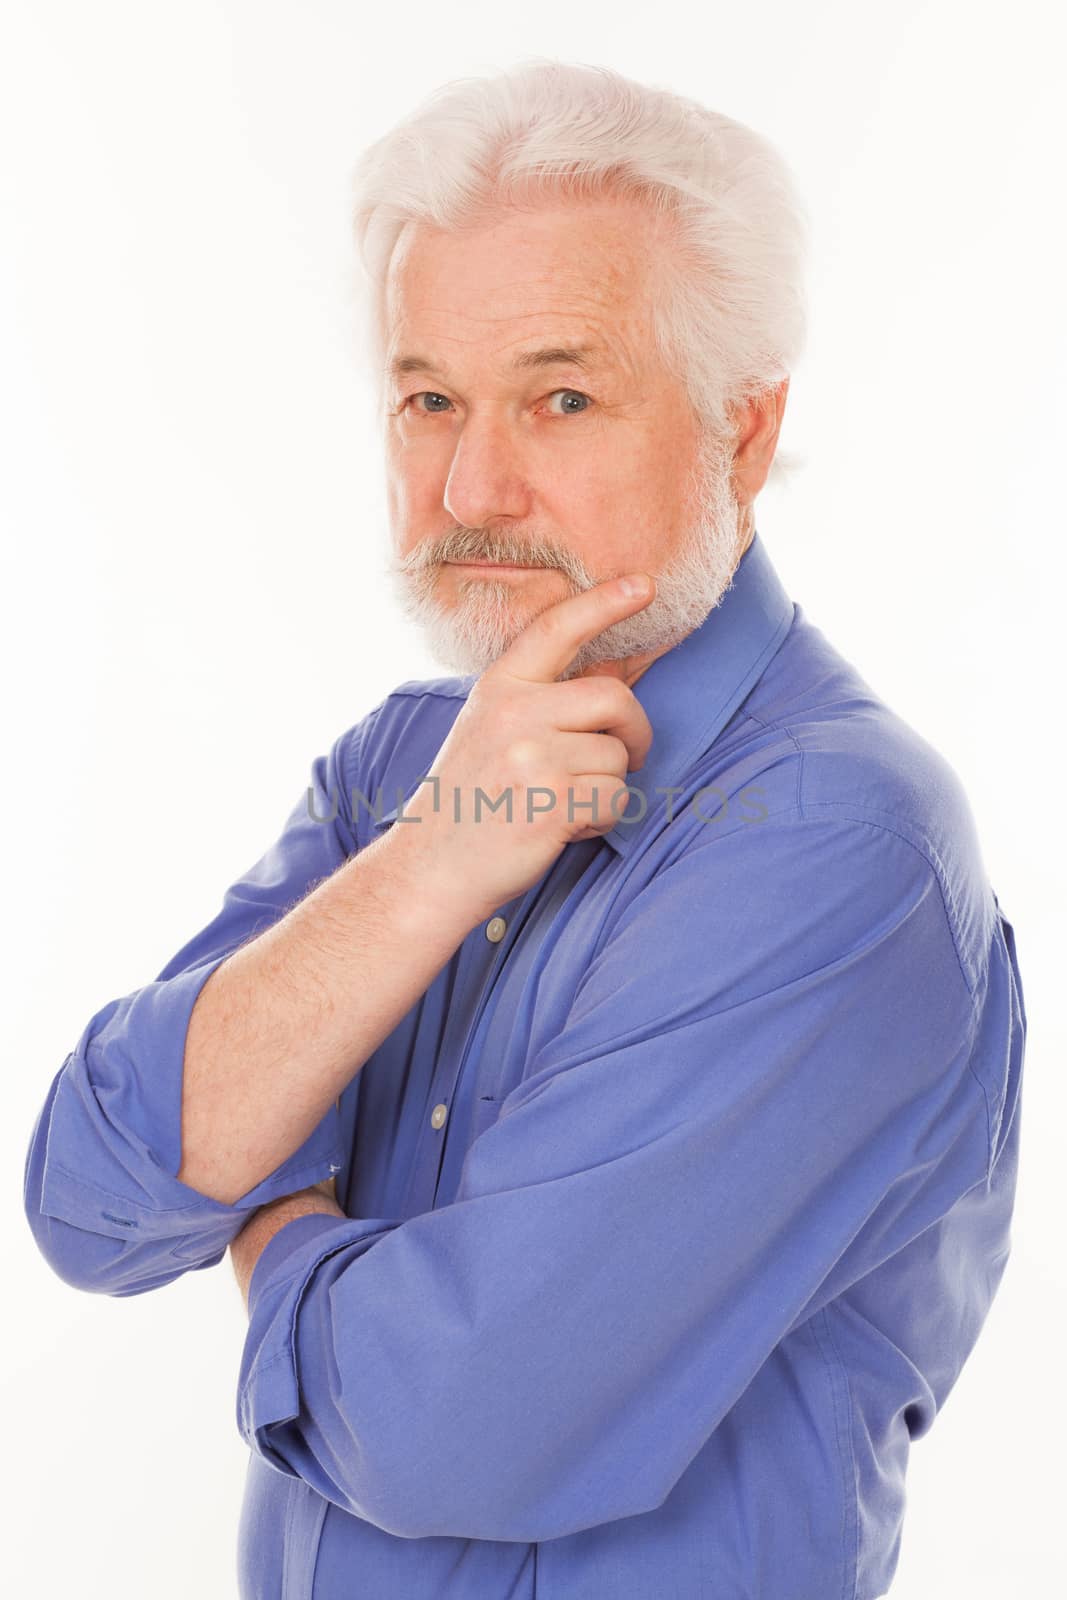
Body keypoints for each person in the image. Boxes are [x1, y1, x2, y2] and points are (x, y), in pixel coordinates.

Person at [24, 57, 1026, 1600]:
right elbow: (89, 1193)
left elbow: (448, 1426)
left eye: (561, 398)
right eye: (429, 399)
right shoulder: (407, 770)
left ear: (741, 435)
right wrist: (429, 867)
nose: (468, 487)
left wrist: (269, 1228)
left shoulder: (844, 846)